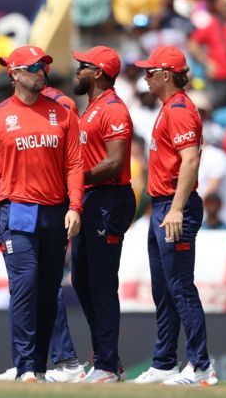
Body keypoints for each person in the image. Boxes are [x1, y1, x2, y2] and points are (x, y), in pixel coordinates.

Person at [0, 45, 84, 382]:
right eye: (35, 67)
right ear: (15, 74)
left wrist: (75, 207)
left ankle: (36, 366)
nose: (42, 72)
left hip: (55, 212)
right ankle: (24, 367)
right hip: (16, 210)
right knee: (24, 286)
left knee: (50, 288)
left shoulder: (63, 113)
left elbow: (75, 164)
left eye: (44, 66)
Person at [133, 46, 218, 385]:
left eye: (150, 72)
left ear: (166, 75)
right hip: (163, 206)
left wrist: (178, 208)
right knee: (165, 290)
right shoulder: (170, 108)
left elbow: (191, 161)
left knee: (180, 287)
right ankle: (165, 361)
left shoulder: (180, 109)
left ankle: (201, 366)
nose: (145, 77)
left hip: (173, 206)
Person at [67, 46, 136, 383]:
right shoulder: (92, 108)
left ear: (98, 72)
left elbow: (115, 162)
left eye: (82, 65)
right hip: (92, 200)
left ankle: (107, 365)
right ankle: (107, 359)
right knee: (81, 279)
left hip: (109, 199)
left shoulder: (114, 110)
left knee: (102, 284)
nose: (76, 70)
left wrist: (76, 179)